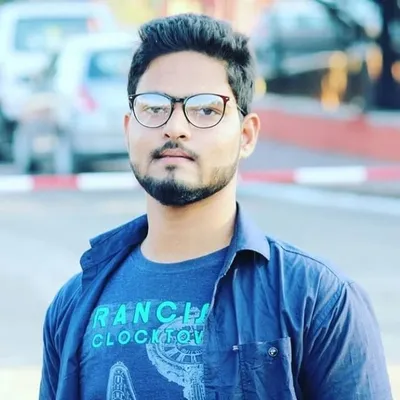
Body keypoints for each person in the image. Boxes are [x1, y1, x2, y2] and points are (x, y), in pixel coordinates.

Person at [39, 13, 393, 400]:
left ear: (246, 135)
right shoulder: (73, 305)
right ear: (128, 129)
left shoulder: (316, 300)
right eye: (154, 107)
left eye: (206, 109)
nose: (175, 127)